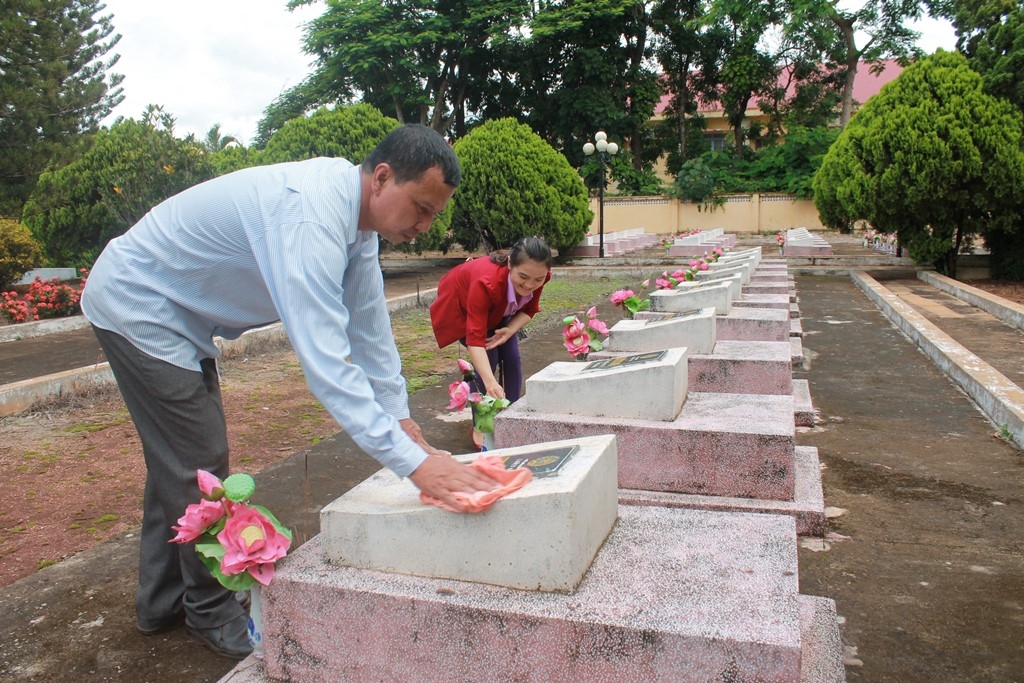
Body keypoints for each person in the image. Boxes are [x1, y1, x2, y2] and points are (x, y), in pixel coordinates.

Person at [80, 124, 497, 660]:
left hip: (178, 314)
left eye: (433, 215)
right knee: (199, 461)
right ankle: (209, 610)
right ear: (382, 177)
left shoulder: (359, 229)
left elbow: (369, 332)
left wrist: (400, 418)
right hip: (140, 302)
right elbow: (328, 365)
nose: (424, 225)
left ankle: (161, 604)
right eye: (420, 208)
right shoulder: (310, 217)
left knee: (182, 460)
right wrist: (413, 464)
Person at [429, 236, 552, 403]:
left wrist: (509, 329)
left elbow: (530, 310)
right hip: (465, 308)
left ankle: (512, 414)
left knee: (512, 359)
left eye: (538, 279)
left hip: (500, 310)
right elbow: (475, 339)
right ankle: (481, 425)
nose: (530, 285)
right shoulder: (486, 283)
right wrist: (490, 383)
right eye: (523, 277)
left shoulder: (539, 275)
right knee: (489, 359)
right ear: (509, 264)